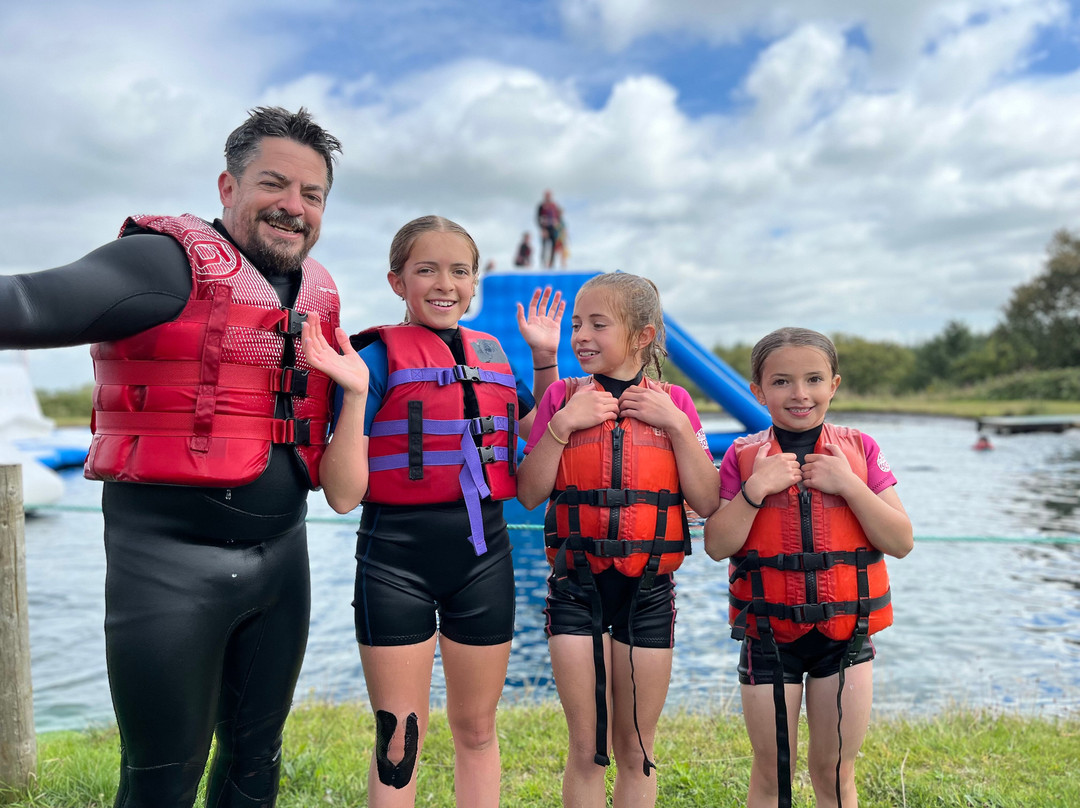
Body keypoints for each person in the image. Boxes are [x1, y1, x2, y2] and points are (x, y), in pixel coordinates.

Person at [0, 106, 343, 808]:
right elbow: (28, 303)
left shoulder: (319, 294)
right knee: (162, 781)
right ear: (227, 186)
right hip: (168, 569)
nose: (293, 207)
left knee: (257, 760)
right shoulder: (161, 262)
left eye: (311, 195)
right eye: (274, 185)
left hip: (283, 561)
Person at [300, 215, 565, 808]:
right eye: (427, 269)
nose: (444, 283)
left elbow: (538, 445)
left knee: (476, 731)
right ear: (397, 281)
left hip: (484, 559)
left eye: (459, 271)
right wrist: (356, 396)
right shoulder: (371, 359)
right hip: (395, 560)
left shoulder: (495, 355)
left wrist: (545, 361)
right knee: (399, 739)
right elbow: (342, 495)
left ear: (474, 284)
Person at [515, 272, 719, 808]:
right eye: (577, 324)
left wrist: (677, 426)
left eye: (597, 325)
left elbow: (706, 500)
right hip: (575, 589)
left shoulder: (675, 402)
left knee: (637, 750)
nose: (580, 335)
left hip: (649, 592)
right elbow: (531, 493)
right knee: (586, 749)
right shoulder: (563, 396)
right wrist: (561, 425)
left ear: (643, 335)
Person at [703, 327, 913, 808]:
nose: (800, 394)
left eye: (814, 379)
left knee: (835, 772)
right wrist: (757, 489)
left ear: (834, 384)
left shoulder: (859, 450)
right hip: (768, 639)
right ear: (757, 391)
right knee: (772, 771)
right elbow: (717, 545)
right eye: (781, 382)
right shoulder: (742, 457)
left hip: (846, 638)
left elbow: (901, 541)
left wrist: (849, 486)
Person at [536, 190, 563, 269]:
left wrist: (557, 224)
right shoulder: (541, 206)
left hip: (553, 229)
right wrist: (542, 229)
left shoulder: (554, 206)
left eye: (549, 195)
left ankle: (551, 264)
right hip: (545, 229)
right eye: (546, 195)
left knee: (553, 247)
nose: (548, 196)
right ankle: (543, 265)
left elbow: (558, 217)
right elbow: (538, 218)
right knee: (544, 247)